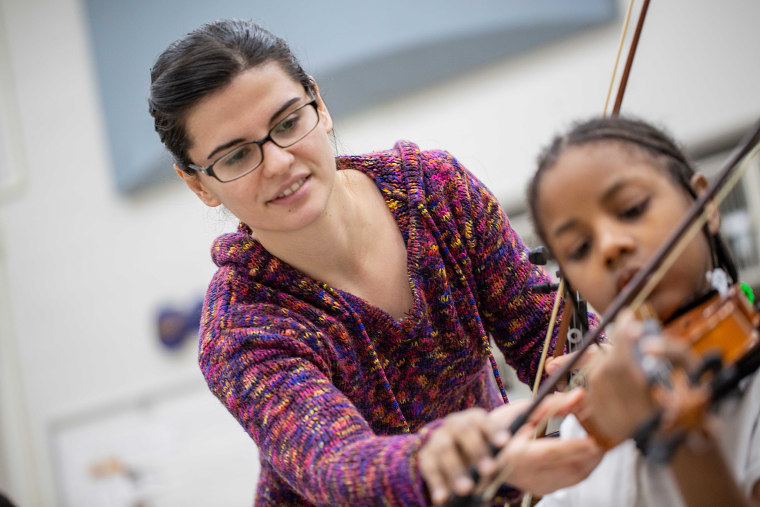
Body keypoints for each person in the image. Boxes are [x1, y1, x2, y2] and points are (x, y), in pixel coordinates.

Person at [147, 18, 602, 507]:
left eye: (287, 123)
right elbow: (339, 470)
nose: (279, 162)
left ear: (319, 104)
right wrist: (436, 461)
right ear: (198, 183)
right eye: (236, 157)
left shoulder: (436, 192)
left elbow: (545, 332)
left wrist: (596, 364)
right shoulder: (239, 330)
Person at [525, 115, 760, 506]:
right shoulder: (593, 426)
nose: (610, 246)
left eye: (632, 209)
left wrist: (678, 436)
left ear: (705, 204)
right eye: (580, 249)